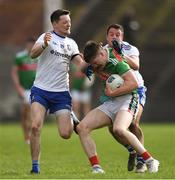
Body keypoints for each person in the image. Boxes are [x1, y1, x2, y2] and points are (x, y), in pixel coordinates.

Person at [76, 40, 159, 174]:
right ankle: (96, 168)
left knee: (119, 129)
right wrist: (88, 64)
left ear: (103, 53)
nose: (94, 66)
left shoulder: (117, 62)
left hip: (129, 98)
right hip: (112, 101)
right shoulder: (96, 61)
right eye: (92, 63)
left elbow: (133, 84)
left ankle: (150, 160)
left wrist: (113, 92)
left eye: (95, 62)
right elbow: (82, 67)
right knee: (82, 127)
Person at [29, 9, 85, 174]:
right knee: (35, 126)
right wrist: (45, 44)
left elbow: (79, 63)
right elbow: (33, 54)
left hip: (61, 94)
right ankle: (35, 167)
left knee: (66, 134)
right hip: (41, 91)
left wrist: (90, 63)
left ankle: (71, 117)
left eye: (69, 21)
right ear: (55, 24)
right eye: (65, 22)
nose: (69, 24)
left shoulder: (71, 43)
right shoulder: (46, 37)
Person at [105, 24, 147, 173]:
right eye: (111, 34)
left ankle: (142, 161)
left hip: (136, 90)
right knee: (112, 128)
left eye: (118, 34)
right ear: (107, 36)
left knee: (133, 124)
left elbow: (136, 66)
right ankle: (132, 150)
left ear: (122, 37)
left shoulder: (130, 49)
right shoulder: (103, 51)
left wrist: (121, 54)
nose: (114, 37)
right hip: (118, 92)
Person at [11, 38, 37, 144]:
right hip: (24, 89)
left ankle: (30, 136)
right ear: (27, 45)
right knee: (25, 113)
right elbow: (14, 73)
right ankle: (26, 135)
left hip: (36, 89)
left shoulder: (38, 56)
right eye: (30, 44)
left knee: (31, 111)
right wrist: (18, 87)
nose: (31, 46)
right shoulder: (20, 57)